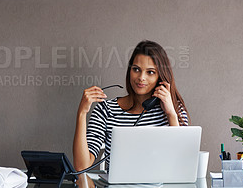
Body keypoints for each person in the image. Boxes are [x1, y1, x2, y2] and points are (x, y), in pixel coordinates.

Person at [73, 40, 189, 172]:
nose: (141, 78)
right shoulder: (105, 110)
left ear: (160, 77)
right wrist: (82, 113)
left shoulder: (174, 109)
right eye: (136, 69)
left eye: (150, 72)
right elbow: (82, 166)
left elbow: (182, 164)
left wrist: (171, 114)